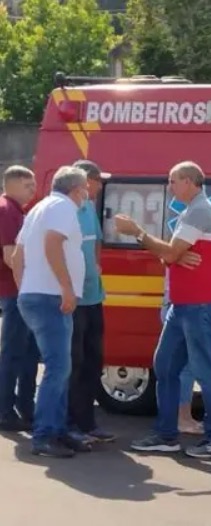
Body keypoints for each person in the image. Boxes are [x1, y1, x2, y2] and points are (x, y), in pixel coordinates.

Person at [114, 161, 211, 459]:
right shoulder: (192, 211)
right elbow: (170, 256)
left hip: (199, 304)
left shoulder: (199, 211)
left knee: (207, 372)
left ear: (191, 182)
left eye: (174, 180)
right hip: (183, 305)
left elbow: (168, 252)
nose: (170, 186)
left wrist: (138, 232)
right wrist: (173, 256)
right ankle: (167, 435)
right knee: (165, 365)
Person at [12, 166, 89, 458]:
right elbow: (52, 244)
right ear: (74, 189)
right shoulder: (63, 207)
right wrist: (66, 287)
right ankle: (44, 436)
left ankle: (56, 430)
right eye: (84, 189)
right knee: (58, 368)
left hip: (37, 295)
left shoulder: (39, 208)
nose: (87, 194)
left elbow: (18, 256)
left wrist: (24, 289)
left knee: (60, 367)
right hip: (51, 298)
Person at [64, 160, 116, 446]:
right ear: (86, 181)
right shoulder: (69, 210)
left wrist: (95, 262)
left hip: (94, 296)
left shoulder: (89, 210)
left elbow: (95, 239)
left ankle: (87, 423)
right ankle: (69, 424)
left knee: (93, 362)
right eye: (98, 180)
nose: (101, 185)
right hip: (75, 299)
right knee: (74, 363)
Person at [0, 165, 39, 432]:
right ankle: (4, 411)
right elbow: (10, 255)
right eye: (28, 185)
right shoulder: (6, 210)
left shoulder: (16, 210)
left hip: (19, 292)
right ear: (12, 183)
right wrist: (26, 291)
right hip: (15, 293)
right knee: (13, 354)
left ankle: (25, 407)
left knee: (26, 354)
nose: (33, 190)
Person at [161, 267, 203, 435]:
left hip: (174, 304)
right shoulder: (182, 244)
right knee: (185, 368)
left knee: (184, 367)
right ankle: (182, 418)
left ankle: (182, 417)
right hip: (178, 305)